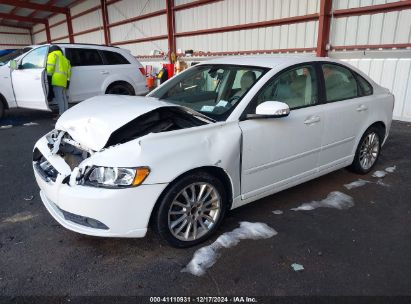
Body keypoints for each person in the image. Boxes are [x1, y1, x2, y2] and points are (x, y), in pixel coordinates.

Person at [46, 45, 71, 118]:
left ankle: (61, 115)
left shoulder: (52, 55)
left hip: (56, 80)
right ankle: (66, 113)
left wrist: (48, 76)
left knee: (59, 98)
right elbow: (69, 72)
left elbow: (50, 67)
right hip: (64, 81)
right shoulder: (65, 59)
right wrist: (67, 81)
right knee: (63, 97)